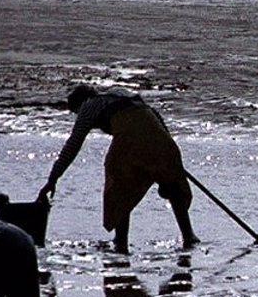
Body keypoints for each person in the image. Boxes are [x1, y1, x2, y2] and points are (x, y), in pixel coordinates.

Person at [41, 84, 198, 255]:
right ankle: (188, 235)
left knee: (119, 186)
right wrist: (167, 153)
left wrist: (53, 179)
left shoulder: (88, 106)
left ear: (80, 104)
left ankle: (121, 242)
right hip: (159, 135)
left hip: (131, 139)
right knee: (173, 185)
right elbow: (154, 114)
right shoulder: (122, 93)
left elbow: (73, 144)